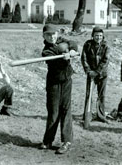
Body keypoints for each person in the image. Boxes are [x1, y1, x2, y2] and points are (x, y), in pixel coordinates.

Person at [39, 24, 78, 154]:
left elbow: (72, 43)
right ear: (44, 36)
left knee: (66, 109)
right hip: (53, 83)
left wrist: (71, 50)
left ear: (57, 34)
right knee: (53, 110)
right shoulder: (46, 51)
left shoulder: (63, 41)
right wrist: (64, 55)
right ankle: (48, 140)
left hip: (66, 80)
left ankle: (66, 141)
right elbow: (56, 62)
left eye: (53, 34)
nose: (51, 37)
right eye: (48, 35)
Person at [81, 27, 109, 122]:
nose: (98, 37)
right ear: (92, 36)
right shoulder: (87, 44)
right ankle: (87, 115)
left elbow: (105, 60)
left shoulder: (106, 46)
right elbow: (84, 58)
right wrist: (89, 71)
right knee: (89, 95)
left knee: (102, 95)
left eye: (100, 36)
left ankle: (101, 116)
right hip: (91, 74)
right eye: (96, 35)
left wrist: (97, 72)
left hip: (102, 74)